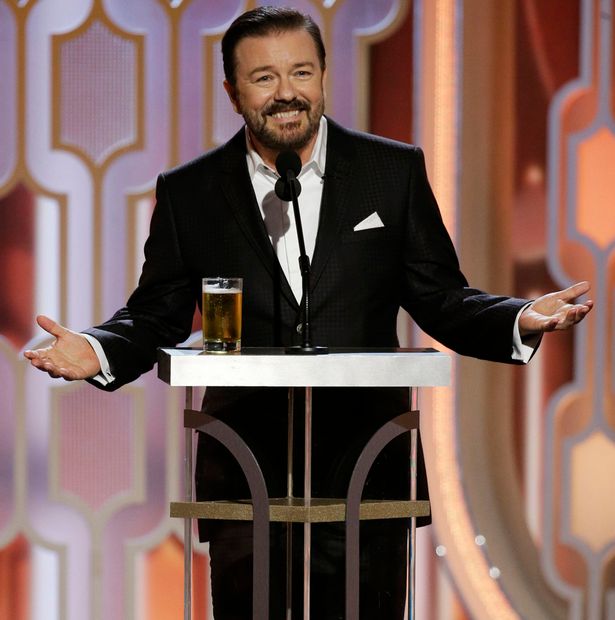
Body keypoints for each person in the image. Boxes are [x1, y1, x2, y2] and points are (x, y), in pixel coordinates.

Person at [24, 6, 593, 619]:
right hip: (246, 471)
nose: (287, 93)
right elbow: (158, 314)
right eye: (264, 78)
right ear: (232, 92)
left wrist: (515, 317)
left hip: (366, 465)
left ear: (323, 75)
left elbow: (440, 298)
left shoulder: (389, 173)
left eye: (301, 72)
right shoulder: (191, 192)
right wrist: (101, 348)